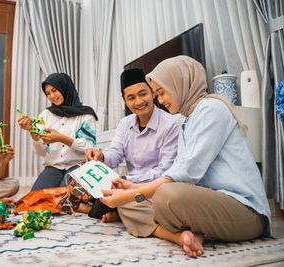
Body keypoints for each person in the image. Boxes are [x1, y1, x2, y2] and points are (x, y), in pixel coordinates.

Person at [100, 56, 271, 258]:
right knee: (129, 203)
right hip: (210, 204)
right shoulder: (188, 120)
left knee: (164, 195)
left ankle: (183, 230)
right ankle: (183, 235)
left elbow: (186, 172)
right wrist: (132, 190)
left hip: (247, 214)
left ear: (179, 83)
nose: (160, 101)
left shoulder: (211, 109)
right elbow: (177, 170)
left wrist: (135, 192)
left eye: (161, 93)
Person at [83, 68, 181, 225]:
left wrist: (126, 181)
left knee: (103, 204)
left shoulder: (171, 124)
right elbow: (115, 152)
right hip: (127, 185)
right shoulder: (125, 123)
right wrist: (100, 156)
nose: (139, 102)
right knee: (96, 192)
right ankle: (119, 211)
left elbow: (165, 171)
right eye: (131, 97)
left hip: (154, 188)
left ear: (153, 92)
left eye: (143, 94)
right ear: (125, 101)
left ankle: (119, 213)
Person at [18, 73, 98, 191]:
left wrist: (61, 138)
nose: (51, 96)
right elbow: (41, 151)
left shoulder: (85, 115)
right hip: (54, 167)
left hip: (78, 165)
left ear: (65, 88)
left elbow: (89, 147)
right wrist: (32, 132)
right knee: (35, 200)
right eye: (48, 93)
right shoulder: (46, 115)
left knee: (63, 198)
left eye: (54, 90)